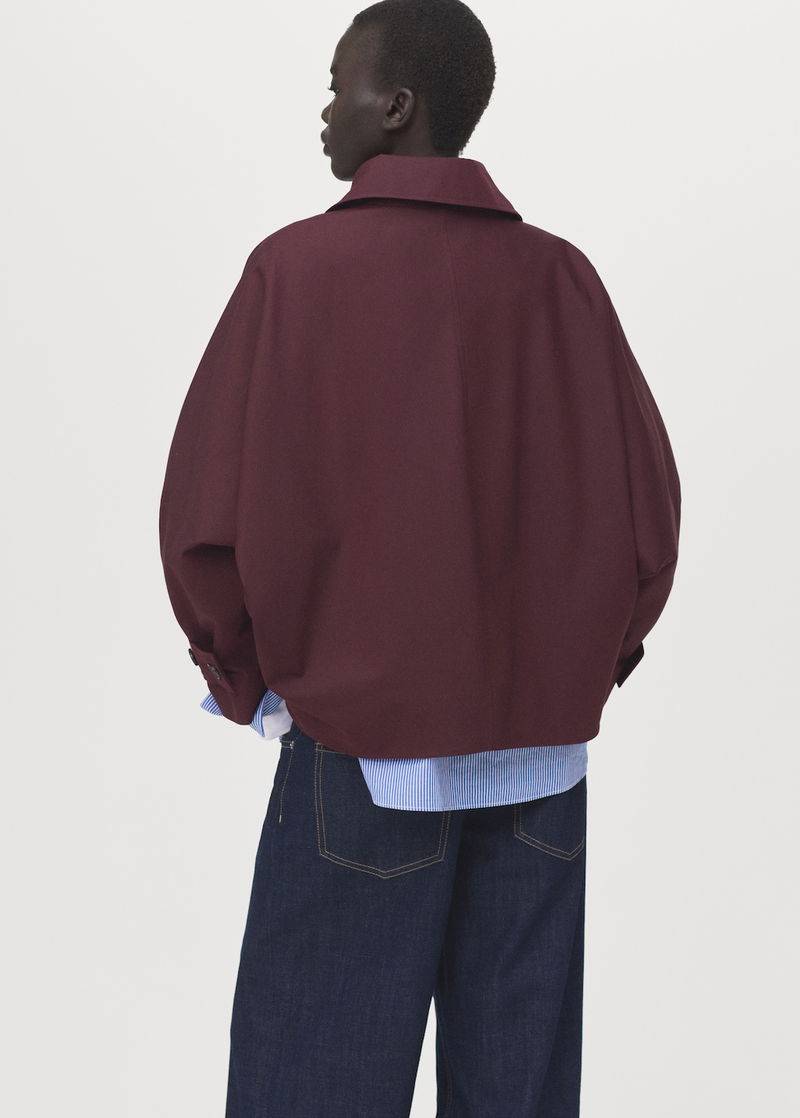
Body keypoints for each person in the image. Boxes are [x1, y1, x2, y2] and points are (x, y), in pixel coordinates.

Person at [158, 1, 681, 1114]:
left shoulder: (294, 271)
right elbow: (649, 520)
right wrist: (576, 672)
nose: (323, 109)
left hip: (355, 747)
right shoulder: (562, 279)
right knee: (516, 1093)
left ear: (395, 106)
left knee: (314, 1086)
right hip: (540, 762)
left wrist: (253, 681)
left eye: (337, 84)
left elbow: (206, 514)